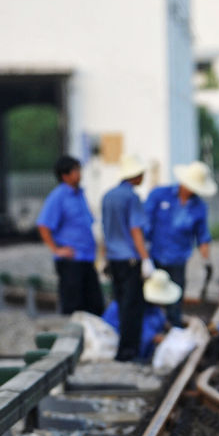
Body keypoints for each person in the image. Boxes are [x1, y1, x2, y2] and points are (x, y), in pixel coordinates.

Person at [145, 160, 216, 327]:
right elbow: (144, 224)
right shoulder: (159, 195)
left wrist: (206, 260)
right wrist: (142, 255)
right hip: (154, 255)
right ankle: (150, 330)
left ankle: (174, 328)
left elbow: (202, 236)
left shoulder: (199, 207)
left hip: (178, 259)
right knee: (151, 297)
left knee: (174, 298)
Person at [101, 156, 154, 362]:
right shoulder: (132, 197)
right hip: (130, 258)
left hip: (114, 258)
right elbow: (135, 230)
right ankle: (129, 351)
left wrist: (104, 256)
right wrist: (145, 258)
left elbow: (105, 229)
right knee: (132, 307)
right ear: (135, 176)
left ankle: (121, 348)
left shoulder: (107, 196)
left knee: (121, 303)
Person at [36, 155, 104, 316]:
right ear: (65, 175)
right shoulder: (58, 196)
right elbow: (44, 225)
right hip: (71, 260)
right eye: (75, 171)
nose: (79, 174)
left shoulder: (79, 194)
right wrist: (56, 249)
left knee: (94, 304)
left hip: (87, 257)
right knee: (74, 305)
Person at [102, 268, 180, 361]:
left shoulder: (153, 307)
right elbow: (143, 333)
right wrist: (168, 340)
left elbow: (161, 321)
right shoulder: (132, 306)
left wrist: (172, 330)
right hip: (114, 341)